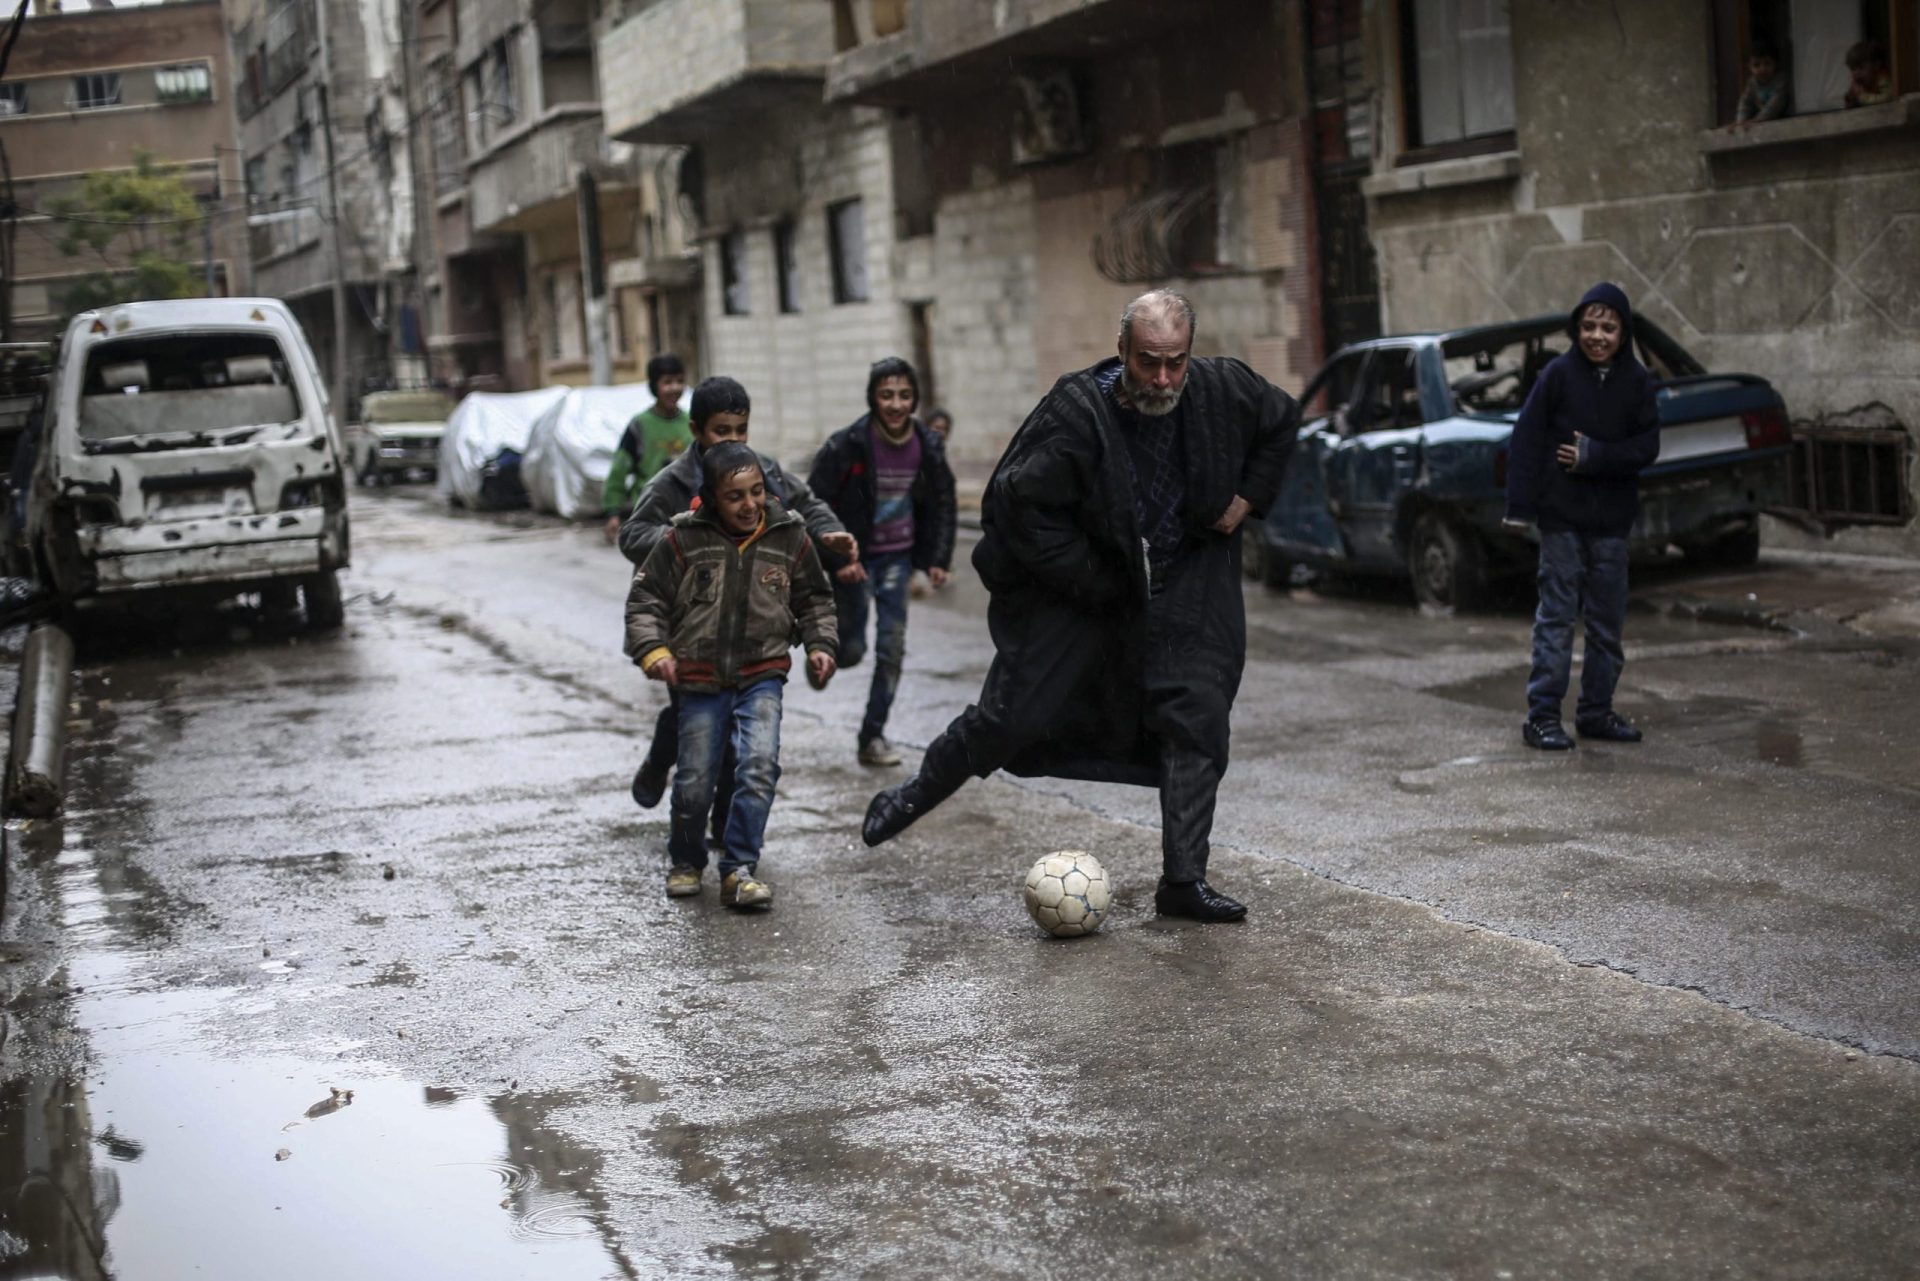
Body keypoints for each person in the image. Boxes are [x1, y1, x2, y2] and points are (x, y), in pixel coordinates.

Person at [860, 290, 1296, 923]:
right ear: (1121, 351)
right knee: (1011, 716)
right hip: (1087, 590)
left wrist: (1247, 499)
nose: (1164, 378)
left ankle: (1182, 881)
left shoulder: (1222, 387)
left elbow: (1281, 421)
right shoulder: (1075, 415)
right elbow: (1017, 509)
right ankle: (915, 793)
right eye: (1149, 362)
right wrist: (1097, 578)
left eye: (1176, 361)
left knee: (1197, 717)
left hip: (1187, 582)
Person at [619, 377, 857, 819]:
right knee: (696, 718)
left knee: (735, 731)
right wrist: (686, 534)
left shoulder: (761, 472)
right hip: (687, 629)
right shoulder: (671, 481)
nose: (730, 441)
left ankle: (724, 824)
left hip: (747, 628)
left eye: (739, 430)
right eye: (719, 431)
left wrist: (829, 534)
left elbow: (807, 504)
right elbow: (632, 534)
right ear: (696, 430)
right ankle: (660, 760)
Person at [625, 442, 838, 908]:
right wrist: (654, 650)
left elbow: (815, 600)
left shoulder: (789, 537)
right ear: (711, 498)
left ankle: (739, 867)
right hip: (698, 680)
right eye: (735, 496)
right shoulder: (681, 540)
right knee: (696, 780)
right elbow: (646, 601)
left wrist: (821, 645)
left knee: (759, 766)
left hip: (762, 675)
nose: (749, 504)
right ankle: (686, 858)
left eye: (757, 492)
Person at [1503, 282, 1660, 753]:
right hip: (1562, 521)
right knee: (1555, 619)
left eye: (1608, 328)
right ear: (1577, 328)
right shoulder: (1556, 375)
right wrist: (1520, 506)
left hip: (1612, 524)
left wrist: (1596, 456)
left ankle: (1595, 712)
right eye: (1589, 326)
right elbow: (1526, 439)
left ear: (1623, 332)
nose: (1597, 336)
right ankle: (1543, 717)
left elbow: (1646, 447)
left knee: (1606, 623)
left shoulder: (1637, 382)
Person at [808, 358, 958, 767]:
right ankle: (826, 654)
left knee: (891, 649)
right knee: (853, 648)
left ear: (915, 399)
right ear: (873, 397)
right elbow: (811, 505)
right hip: (854, 561)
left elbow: (943, 501)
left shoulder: (927, 445)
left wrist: (937, 559)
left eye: (904, 395)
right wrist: (836, 559)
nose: (895, 404)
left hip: (897, 559)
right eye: (886, 394)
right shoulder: (847, 445)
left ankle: (872, 736)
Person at [603, 353, 691, 543]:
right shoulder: (639, 426)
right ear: (654, 386)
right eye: (667, 382)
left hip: (685, 515)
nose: (674, 388)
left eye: (679, 381)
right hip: (648, 515)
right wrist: (612, 512)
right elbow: (619, 470)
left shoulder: (691, 424)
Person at [1731, 39, 1789, 129]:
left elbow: (1775, 104)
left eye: (1767, 63)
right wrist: (1740, 121)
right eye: (1756, 65)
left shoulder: (1780, 81)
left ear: (1775, 64)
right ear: (1749, 67)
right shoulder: (1752, 83)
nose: (1762, 69)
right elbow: (1745, 102)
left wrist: (1758, 120)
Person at [1844, 41, 1894, 108]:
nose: (1856, 73)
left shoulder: (1882, 79)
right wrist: (1851, 98)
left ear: (1876, 65)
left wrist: (1862, 97)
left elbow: (1887, 99)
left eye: (1861, 67)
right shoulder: (1859, 83)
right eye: (1853, 69)